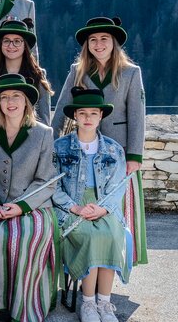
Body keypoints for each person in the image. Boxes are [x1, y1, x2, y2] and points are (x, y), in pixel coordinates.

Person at [52, 16, 147, 266]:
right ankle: (88, 260)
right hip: (83, 150)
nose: (99, 44)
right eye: (93, 40)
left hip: (118, 153)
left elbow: (137, 115)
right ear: (87, 46)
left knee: (118, 207)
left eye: (104, 39)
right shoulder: (78, 71)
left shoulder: (130, 73)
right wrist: (47, 144)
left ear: (114, 43)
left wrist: (134, 155)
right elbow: (63, 106)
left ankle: (116, 261)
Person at [0, 73, 57, 322]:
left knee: (22, 237)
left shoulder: (43, 134)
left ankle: (23, 306)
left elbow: (46, 181)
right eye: (5, 97)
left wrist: (20, 206)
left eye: (16, 96)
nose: (10, 102)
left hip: (32, 206)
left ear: (26, 102)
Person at [53, 88, 133, 322]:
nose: (87, 118)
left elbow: (119, 185)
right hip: (71, 206)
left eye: (93, 113)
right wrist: (74, 207)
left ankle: (104, 302)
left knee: (112, 234)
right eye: (82, 113)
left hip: (103, 205)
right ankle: (88, 302)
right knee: (90, 235)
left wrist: (103, 209)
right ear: (75, 116)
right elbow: (52, 185)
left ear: (100, 117)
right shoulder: (60, 147)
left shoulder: (113, 149)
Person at [0, 17, 52, 134]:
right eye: (6, 41)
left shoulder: (38, 74)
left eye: (17, 41)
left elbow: (44, 117)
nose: (11, 46)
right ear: (1, 45)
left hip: (28, 138)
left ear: (25, 45)